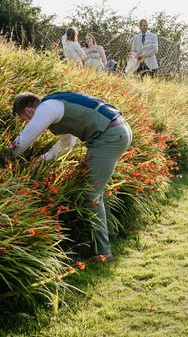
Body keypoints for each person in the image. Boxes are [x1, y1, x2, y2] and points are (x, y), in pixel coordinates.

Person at [8, 91, 132, 261]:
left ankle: (104, 253)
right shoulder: (57, 105)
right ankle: (111, 233)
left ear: (29, 111)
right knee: (96, 189)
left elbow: (24, 140)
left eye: (26, 119)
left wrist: (6, 158)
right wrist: (43, 159)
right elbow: (68, 143)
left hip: (107, 137)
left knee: (90, 193)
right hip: (116, 131)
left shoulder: (47, 108)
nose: (29, 122)